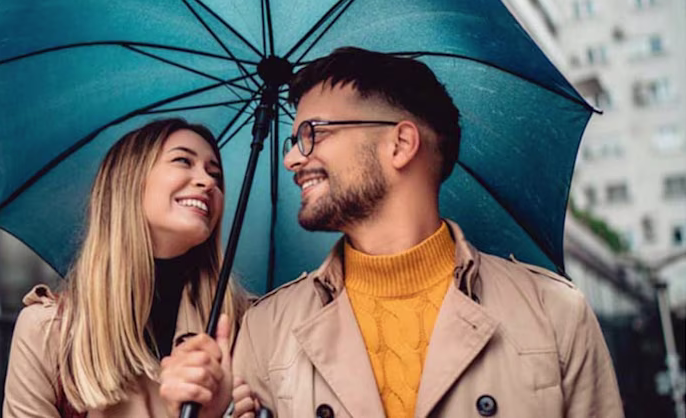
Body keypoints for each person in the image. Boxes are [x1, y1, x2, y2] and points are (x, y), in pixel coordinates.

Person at [160, 48, 624, 418]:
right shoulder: (266, 331)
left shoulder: (555, 314)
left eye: (311, 133)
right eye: (292, 140)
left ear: (400, 144)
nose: (292, 159)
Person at [3, 118, 247, 417]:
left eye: (215, 174)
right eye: (183, 160)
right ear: (129, 181)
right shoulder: (47, 331)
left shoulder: (243, 324)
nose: (208, 182)